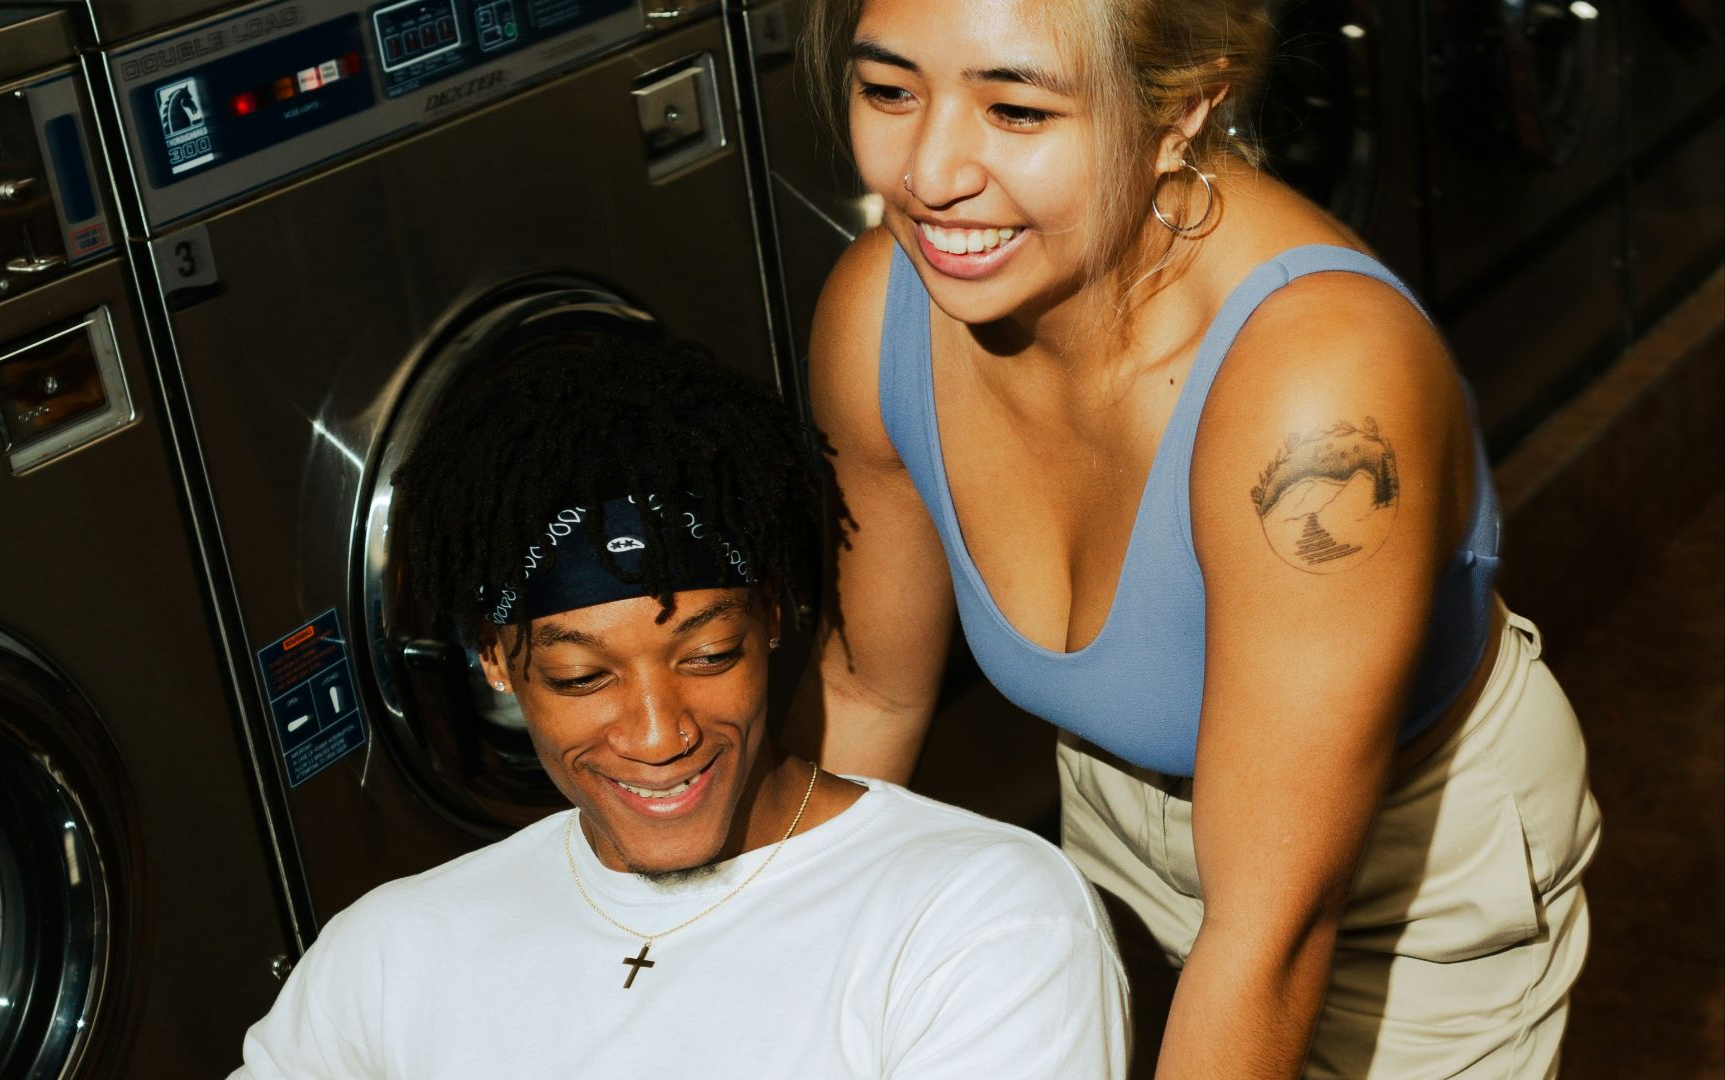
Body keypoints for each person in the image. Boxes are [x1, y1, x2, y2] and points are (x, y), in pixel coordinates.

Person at [789, 0, 1603, 1076]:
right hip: (1117, 798)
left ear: (1187, 109)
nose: (929, 172)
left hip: (1408, 874)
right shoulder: (878, 316)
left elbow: (1269, 936)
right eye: (889, 91)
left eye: (1017, 109)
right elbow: (869, 699)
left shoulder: (1316, 389)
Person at [231, 331, 1128, 1078]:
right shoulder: (393, 955)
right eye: (584, 678)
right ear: (500, 664)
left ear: (772, 618)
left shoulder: (979, 917)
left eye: (707, 656)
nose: (661, 734)